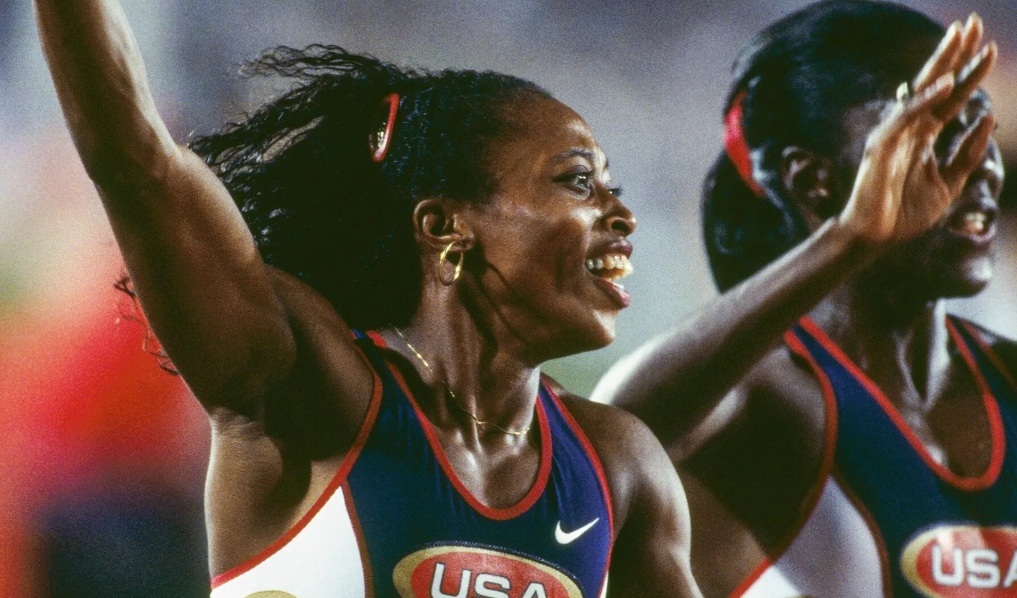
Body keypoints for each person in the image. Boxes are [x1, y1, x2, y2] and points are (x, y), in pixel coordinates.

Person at [34, 1, 705, 596]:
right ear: (446, 227)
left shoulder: (618, 464)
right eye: (578, 181)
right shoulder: (310, 385)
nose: (622, 214)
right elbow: (139, 163)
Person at [593, 2, 1012, 597]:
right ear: (813, 181)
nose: (982, 167)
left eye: (982, 129)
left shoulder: (1008, 378)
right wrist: (850, 238)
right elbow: (602, 437)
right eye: (938, 131)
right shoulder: (765, 396)